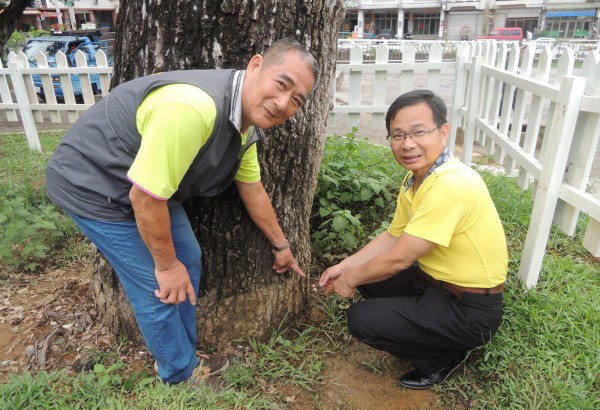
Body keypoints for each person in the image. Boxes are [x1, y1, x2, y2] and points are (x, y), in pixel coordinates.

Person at [46, 38, 319, 385]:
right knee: (156, 285)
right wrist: (164, 265)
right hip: (95, 183)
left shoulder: (245, 125)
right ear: (255, 66)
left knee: (187, 258)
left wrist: (281, 246)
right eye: (282, 85)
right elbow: (144, 199)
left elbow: (252, 189)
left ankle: (185, 355)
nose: (283, 103)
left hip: (148, 187)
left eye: (296, 100)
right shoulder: (194, 108)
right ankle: (178, 373)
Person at [319, 89, 508, 390]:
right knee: (370, 274)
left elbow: (399, 259)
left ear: (443, 133)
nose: (408, 144)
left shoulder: (450, 184)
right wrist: (346, 266)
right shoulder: (417, 178)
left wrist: (350, 279)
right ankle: (424, 326)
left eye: (419, 132)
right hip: (436, 283)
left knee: (361, 319)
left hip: (470, 311)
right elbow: (393, 237)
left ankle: (442, 358)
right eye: (398, 135)